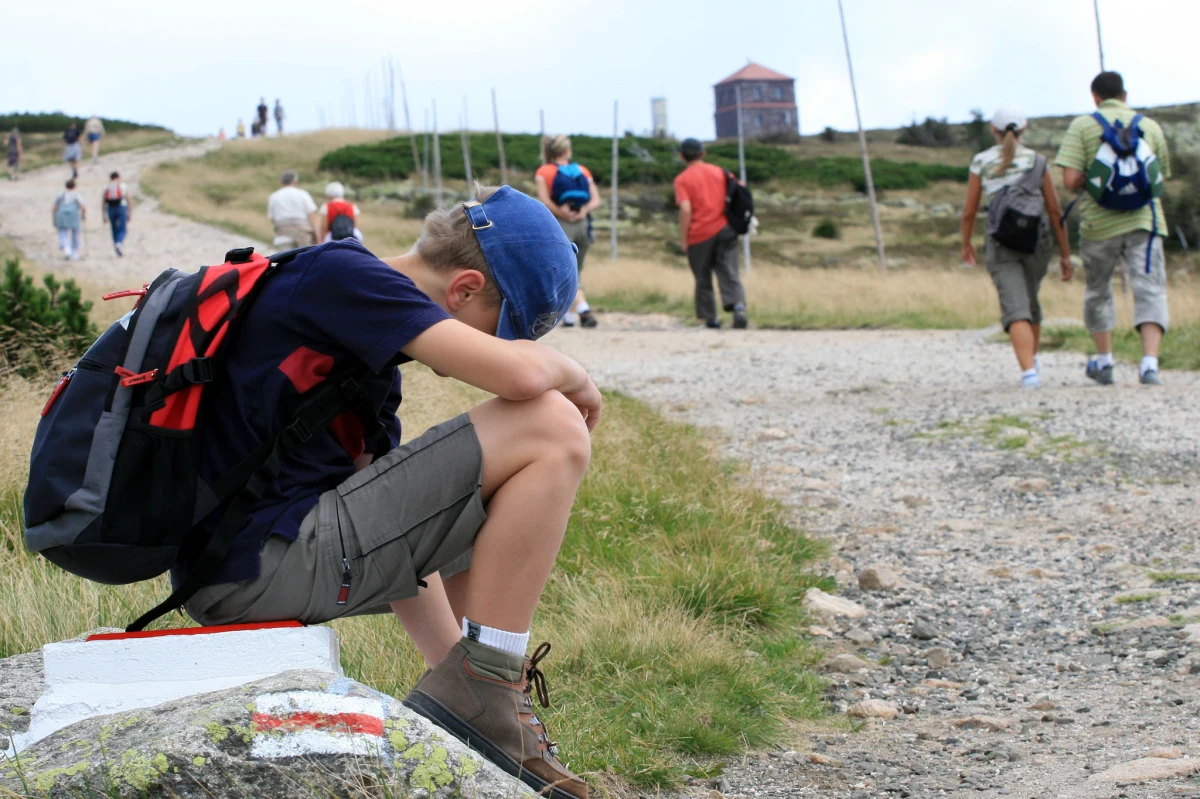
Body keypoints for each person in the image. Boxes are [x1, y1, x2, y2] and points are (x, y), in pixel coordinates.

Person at [181, 186, 597, 799]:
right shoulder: (342, 274)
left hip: (257, 568)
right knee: (553, 422)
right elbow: (526, 376)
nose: (501, 348)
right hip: (255, 567)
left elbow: (405, 541)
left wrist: (450, 673)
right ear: (462, 290)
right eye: (502, 332)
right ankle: (489, 681)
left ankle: (478, 697)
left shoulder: (366, 353)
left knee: (496, 491)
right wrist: (578, 379)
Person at [1056, 71, 1171, 386]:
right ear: (1124, 95)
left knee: (1098, 292)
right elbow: (1161, 177)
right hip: (1144, 221)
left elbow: (1070, 180)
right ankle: (1149, 363)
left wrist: (1096, 175)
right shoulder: (1149, 126)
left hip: (1098, 224)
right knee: (1150, 289)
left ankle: (1104, 361)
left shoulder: (1082, 126)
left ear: (1095, 96)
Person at [961, 106, 1073, 389]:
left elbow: (969, 211)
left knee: (1015, 305)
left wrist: (966, 244)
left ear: (993, 131)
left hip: (1001, 240)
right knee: (1031, 301)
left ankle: (1029, 374)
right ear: (1025, 130)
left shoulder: (981, 161)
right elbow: (1054, 209)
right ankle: (1031, 361)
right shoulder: (1037, 161)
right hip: (1037, 239)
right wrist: (1066, 254)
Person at [674, 138, 748, 329]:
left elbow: (686, 209)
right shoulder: (721, 172)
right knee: (729, 271)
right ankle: (738, 306)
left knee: (702, 277)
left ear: (682, 156)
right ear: (703, 153)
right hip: (726, 229)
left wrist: (684, 239)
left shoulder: (682, 179)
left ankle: (710, 318)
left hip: (699, 234)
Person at [535, 135, 601, 328]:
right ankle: (569, 318)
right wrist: (583, 211)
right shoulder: (582, 171)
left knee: (565, 271)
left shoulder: (544, 172)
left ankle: (583, 310)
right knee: (577, 270)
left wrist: (562, 212)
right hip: (584, 225)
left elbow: (544, 200)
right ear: (567, 150)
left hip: (561, 226)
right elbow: (595, 199)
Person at [267, 170, 320, 247]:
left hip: (283, 234)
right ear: (295, 181)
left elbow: (272, 218)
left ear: (281, 182)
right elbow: (312, 216)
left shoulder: (273, 196)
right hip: (303, 234)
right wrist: (317, 237)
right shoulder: (303, 194)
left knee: (285, 258)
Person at [53, 179, 86, 260]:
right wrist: (84, 216)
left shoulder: (61, 195)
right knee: (75, 233)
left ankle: (67, 250)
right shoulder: (76, 195)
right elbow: (83, 207)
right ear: (74, 186)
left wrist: (54, 218)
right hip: (73, 216)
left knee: (63, 233)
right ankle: (75, 252)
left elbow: (54, 208)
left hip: (61, 215)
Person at [103, 170, 132, 257]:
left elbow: (104, 201)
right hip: (121, 207)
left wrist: (104, 215)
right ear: (118, 177)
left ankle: (116, 246)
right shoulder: (122, 186)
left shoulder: (107, 187)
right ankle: (119, 244)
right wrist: (130, 212)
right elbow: (128, 199)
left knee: (114, 228)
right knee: (122, 228)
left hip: (110, 208)